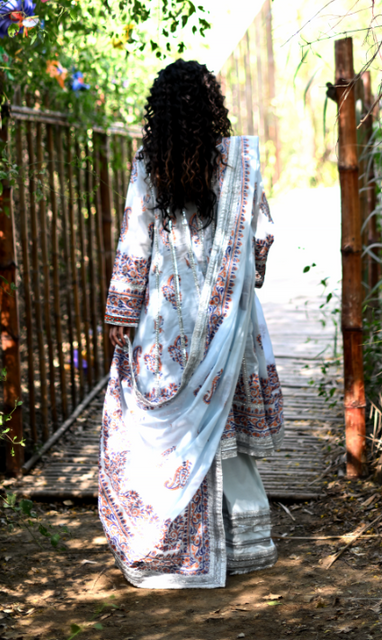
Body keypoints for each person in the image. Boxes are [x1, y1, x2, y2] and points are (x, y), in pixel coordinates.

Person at [98, 59, 283, 588]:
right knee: (226, 425)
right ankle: (244, 545)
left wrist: (122, 310)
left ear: (159, 113)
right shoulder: (238, 163)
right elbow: (262, 235)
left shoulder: (149, 165)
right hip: (229, 319)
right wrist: (245, 277)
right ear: (211, 108)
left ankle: (166, 543)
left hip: (167, 319)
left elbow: (136, 240)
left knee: (174, 427)